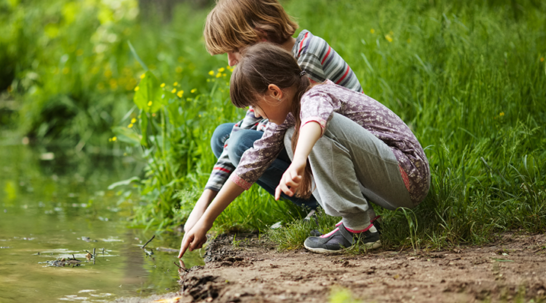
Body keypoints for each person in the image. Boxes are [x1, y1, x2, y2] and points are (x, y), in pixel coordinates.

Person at [179, 43, 430, 257]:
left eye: (255, 105)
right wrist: (206, 219)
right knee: (291, 135)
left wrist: (298, 162)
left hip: (407, 177)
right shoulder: (290, 112)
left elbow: (315, 123)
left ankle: (359, 229)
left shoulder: (315, 95)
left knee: (313, 131)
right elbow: (251, 163)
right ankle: (364, 221)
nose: (255, 113)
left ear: (275, 92)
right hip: (386, 181)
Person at [184, 0, 363, 233]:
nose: (230, 62)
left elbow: (275, 134)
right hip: (309, 146)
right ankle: (317, 205)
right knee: (224, 137)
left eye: (234, 50)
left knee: (245, 144)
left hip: (346, 155)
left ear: (260, 37)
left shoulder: (306, 55)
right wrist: (202, 204)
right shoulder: (269, 69)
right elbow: (245, 127)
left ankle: (336, 205)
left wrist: (208, 217)